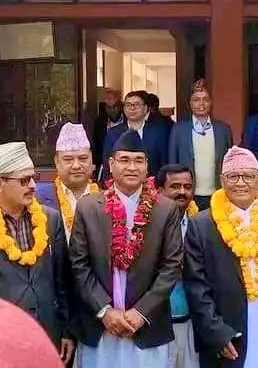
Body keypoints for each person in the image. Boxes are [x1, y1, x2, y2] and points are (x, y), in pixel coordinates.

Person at [71, 130, 183, 368]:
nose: (132, 167)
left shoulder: (166, 209)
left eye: (138, 161)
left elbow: (171, 266)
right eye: (124, 160)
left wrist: (141, 312)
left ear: (147, 166)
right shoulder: (88, 207)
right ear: (111, 165)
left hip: (147, 327)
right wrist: (105, 311)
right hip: (100, 327)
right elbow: (79, 264)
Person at [0, 141, 76, 363]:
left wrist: (67, 330)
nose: (32, 185)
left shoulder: (50, 219)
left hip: (48, 336)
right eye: (23, 180)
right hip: (0, 342)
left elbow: (63, 282)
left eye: (34, 177)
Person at [185, 146, 258, 368]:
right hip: (227, 336)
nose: (240, 183)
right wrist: (216, 332)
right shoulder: (201, 225)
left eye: (248, 176)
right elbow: (196, 286)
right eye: (233, 176)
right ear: (221, 180)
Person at [168, 79, 234, 212]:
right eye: (196, 100)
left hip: (217, 194)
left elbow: (230, 164)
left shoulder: (223, 130)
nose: (201, 104)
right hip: (188, 194)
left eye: (205, 99)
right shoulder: (179, 130)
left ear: (211, 102)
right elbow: (172, 163)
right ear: (190, 103)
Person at [157, 164, 200, 368]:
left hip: (192, 323)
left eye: (187, 187)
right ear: (160, 191)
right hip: (158, 325)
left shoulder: (201, 225)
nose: (182, 192)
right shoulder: (146, 225)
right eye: (175, 186)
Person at [37, 122, 100, 237]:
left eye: (83, 158)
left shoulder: (108, 199)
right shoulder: (38, 199)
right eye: (68, 159)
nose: (76, 166)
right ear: (57, 162)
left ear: (91, 160)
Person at [101, 91, 170, 181]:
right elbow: (107, 162)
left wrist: (161, 184)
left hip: (152, 184)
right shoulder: (113, 133)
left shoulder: (158, 132)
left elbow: (164, 162)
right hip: (121, 184)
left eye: (136, 105)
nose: (132, 108)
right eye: (128, 105)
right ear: (124, 108)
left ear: (145, 108)